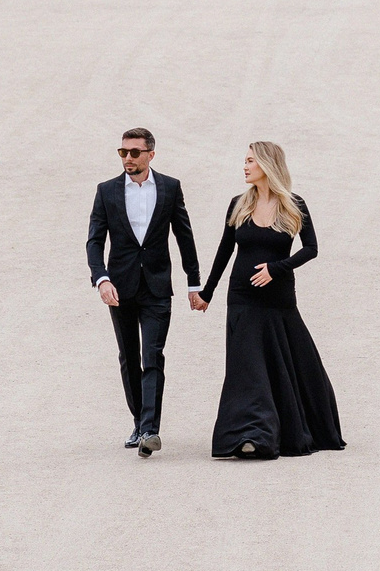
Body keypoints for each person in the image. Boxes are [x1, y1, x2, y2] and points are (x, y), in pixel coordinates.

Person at [194, 142, 342, 461]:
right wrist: (208, 292)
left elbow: (311, 249)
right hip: (241, 298)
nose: (245, 166)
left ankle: (286, 429)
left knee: (288, 363)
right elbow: (225, 250)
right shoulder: (239, 204)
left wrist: (276, 269)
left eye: (250, 161)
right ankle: (250, 435)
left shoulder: (293, 204)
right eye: (245, 161)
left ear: (266, 164)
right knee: (247, 369)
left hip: (278, 301)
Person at [88, 128, 202, 459]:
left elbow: (184, 236)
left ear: (150, 154)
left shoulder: (170, 187)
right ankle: (139, 423)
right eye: (123, 152)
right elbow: (95, 240)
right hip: (119, 288)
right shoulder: (107, 191)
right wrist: (101, 279)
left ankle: (150, 430)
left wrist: (194, 283)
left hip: (156, 288)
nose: (128, 158)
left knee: (152, 355)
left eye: (135, 152)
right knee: (128, 357)